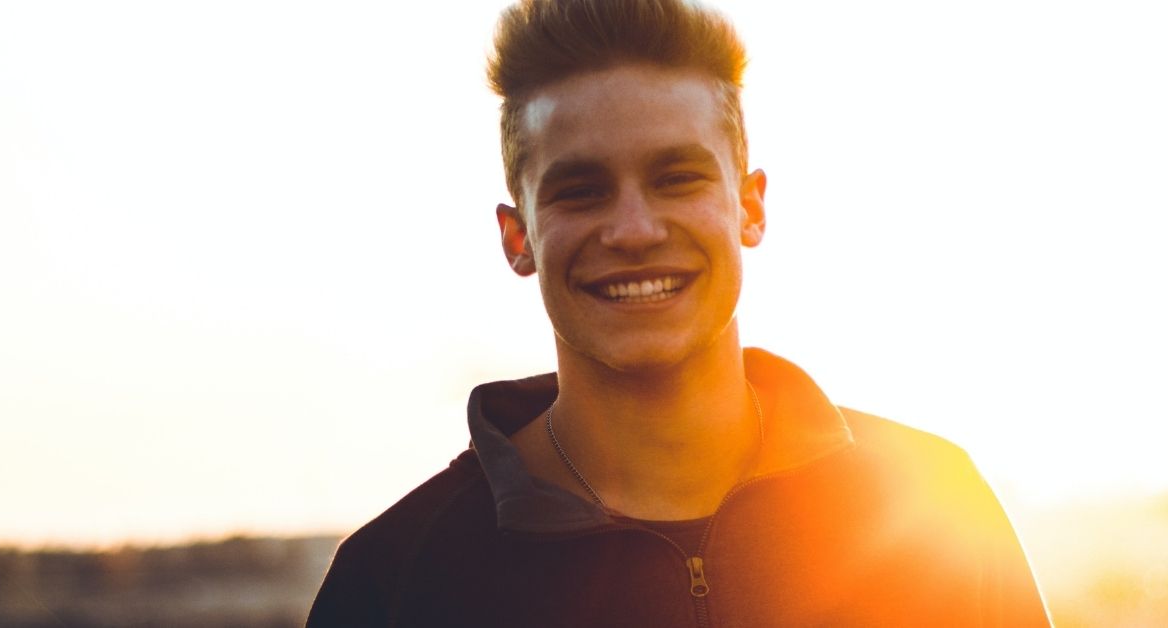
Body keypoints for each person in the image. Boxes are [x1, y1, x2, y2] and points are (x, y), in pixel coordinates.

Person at [307, 0, 1052, 625]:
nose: (634, 230)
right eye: (581, 190)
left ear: (750, 207)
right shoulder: (395, 582)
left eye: (676, 177)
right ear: (518, 236)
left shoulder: (934, 507)